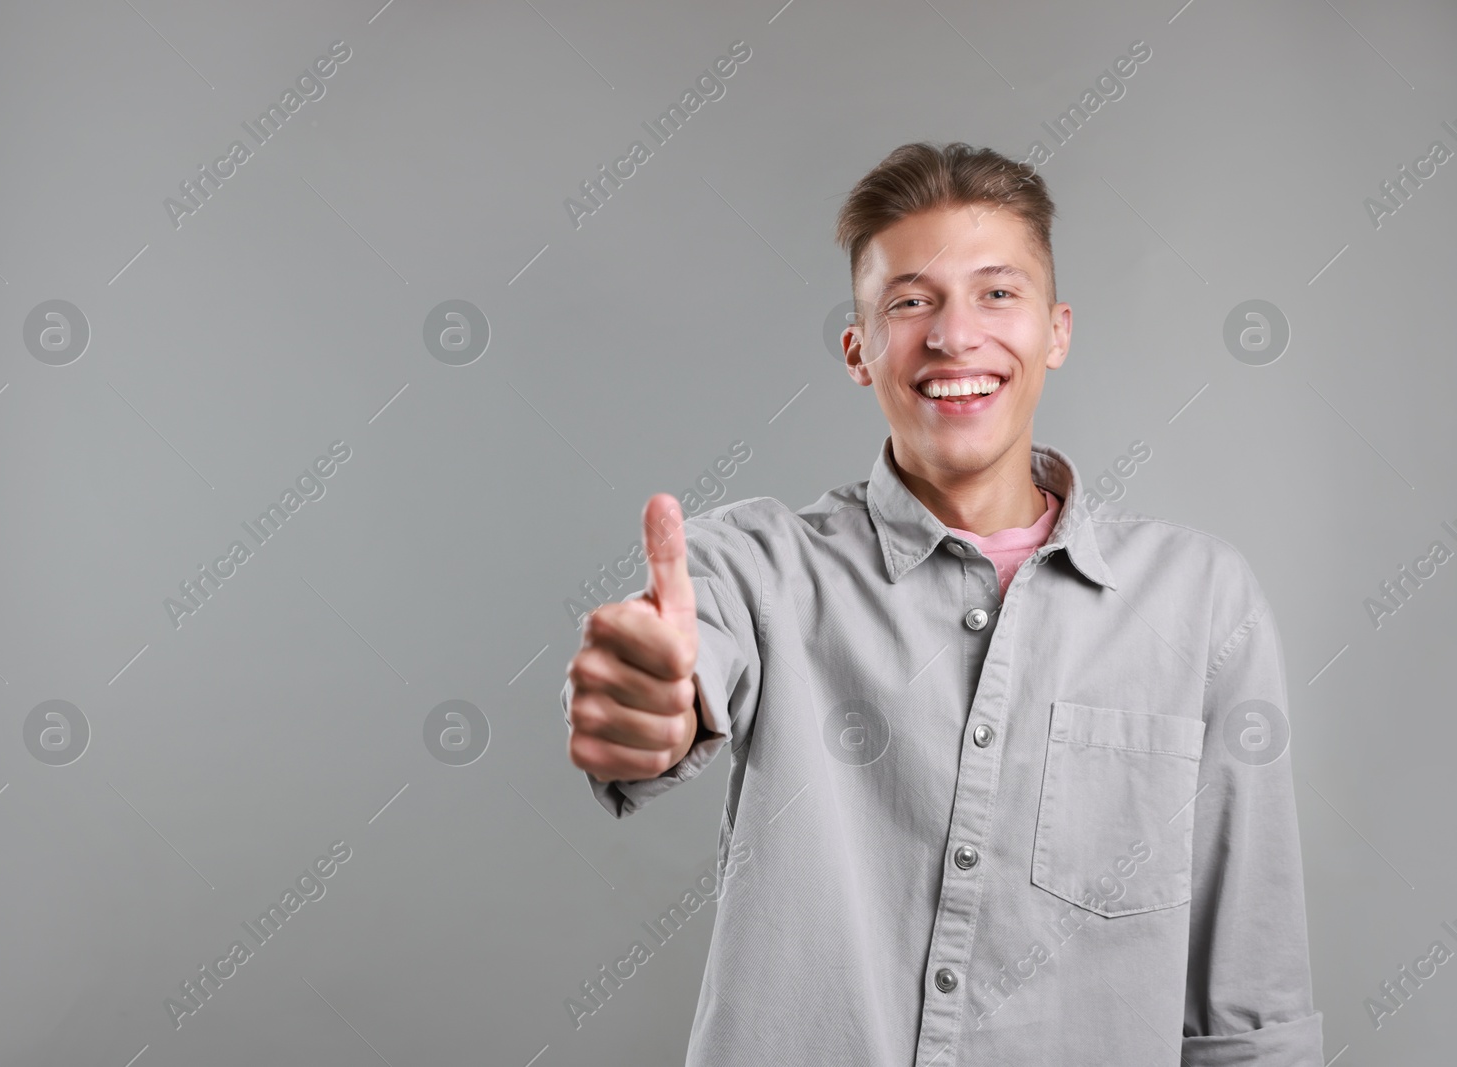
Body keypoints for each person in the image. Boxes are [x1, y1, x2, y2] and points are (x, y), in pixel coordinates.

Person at [561, 141, 1323, 1065]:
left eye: (998, 293)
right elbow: (678, 669)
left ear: (1056, 330)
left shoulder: (1201, 598)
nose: (955, 335)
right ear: (859, 349)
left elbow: (1252, 1001)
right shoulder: (759, 565)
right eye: (910, 300)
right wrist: (646, 710)